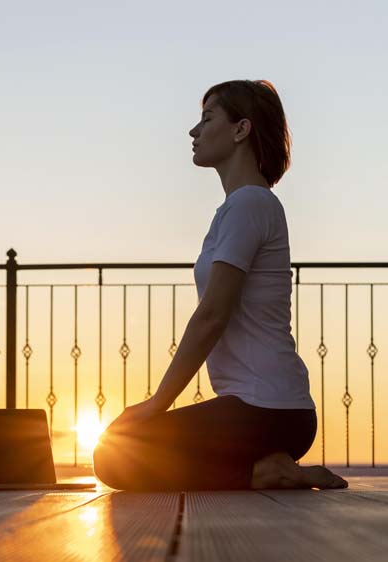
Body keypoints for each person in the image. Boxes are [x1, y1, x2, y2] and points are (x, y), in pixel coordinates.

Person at [92, 79, 348, 491]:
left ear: (241, 129)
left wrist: (157, 403)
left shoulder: (250, 203)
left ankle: (269, 471)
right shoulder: (239, 207)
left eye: (207, 118)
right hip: (267, 411)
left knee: (113, 456)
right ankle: (264, 468)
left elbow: (212, 316)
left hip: (268, 410)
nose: (194, 131)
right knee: (116, 452)